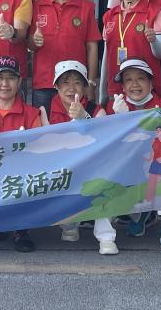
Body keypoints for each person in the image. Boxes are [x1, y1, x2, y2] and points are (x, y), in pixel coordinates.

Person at [0, 55, 48, 252]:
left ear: (19, 81)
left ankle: (21, 229)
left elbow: (38, 152)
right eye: (0, 78)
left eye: (11, 78)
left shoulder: (31, 113)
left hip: (20, 173)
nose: (5, 84)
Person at [104, 59, 161, 252]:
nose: (135, 84)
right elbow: (107, 144)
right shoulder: (115, 105)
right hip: (127, 166)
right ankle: (113, 229)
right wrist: (119, 119)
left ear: (151, 83)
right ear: (122, 86)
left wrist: (131, 119)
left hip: (156, 165)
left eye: (141, 78)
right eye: (128, 80)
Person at [45, 60, 117, 256]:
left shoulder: (96, 110)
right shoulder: (45, 110)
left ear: (85, 86)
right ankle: (70, 224)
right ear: (56, 86)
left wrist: (84, 117)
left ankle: (106, 236)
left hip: (92, 169)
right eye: (65, 82)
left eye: (77, 82)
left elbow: (106, 139)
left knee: (103, 181)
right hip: (60, 170)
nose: (71, 88)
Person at [29, 0, 101, 111]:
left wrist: (91, 82)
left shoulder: (86, 7)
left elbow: (92, 47)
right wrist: (33, 42)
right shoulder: (35, 7)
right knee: (43, 126)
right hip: (44, 83)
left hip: (76, 84)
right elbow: (29, 44)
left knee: (78, 125)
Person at [101, 0, 161, 100]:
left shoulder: (154, 13)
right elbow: (106, 55)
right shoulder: (109, 16)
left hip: (146, 92)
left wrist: (154, 40)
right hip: (116, 92)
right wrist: (102, 92)